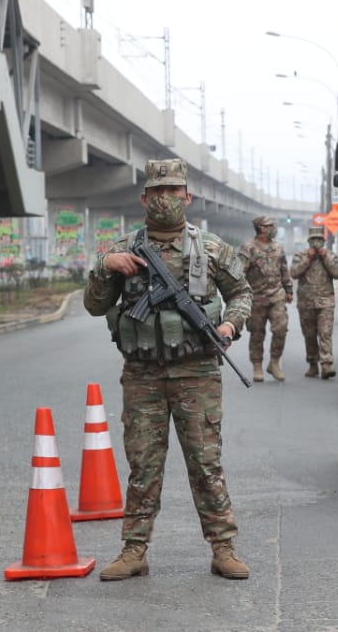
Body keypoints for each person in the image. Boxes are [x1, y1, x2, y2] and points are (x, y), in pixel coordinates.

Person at [83, 158, 252, 581]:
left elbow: (242, 294)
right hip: (142, 374)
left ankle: (223, 547)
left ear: (188, 198)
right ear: (144, 198)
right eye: (157, 192)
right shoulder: (123, 248)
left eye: (174, 192)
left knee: (205, 463)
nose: (165, 200)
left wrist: (230, 324)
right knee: (143, 465)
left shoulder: (211, 249)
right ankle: (134, 550)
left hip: (196, 372)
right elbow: (94, 306)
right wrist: (107, 266)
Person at [238, 215, 293, 383]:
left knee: (281, 329)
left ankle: (274, 362)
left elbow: (284, 269)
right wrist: (241, 295)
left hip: (277, 295)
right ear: (261, 228)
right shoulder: (248, 248)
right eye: (270, 226)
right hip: (256, 298)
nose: (274, 229)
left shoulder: (278, 247)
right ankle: (257, 365)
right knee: (257, 333)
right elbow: (240, 274)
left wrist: (289, 289)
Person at [290, 226, 338, 379]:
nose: (316, 243)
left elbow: (337, 273)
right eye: (313, 239)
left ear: (323, 241)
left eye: (319, 239)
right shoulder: (300, 256)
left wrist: (325, 257)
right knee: (310, 335)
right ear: (308, 241)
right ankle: (313, 363)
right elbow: (293, 273)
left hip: (326, 302)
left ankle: (326, 364)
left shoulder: (331, 256)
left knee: (325, 333)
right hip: (306, 303)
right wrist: (308, 258)